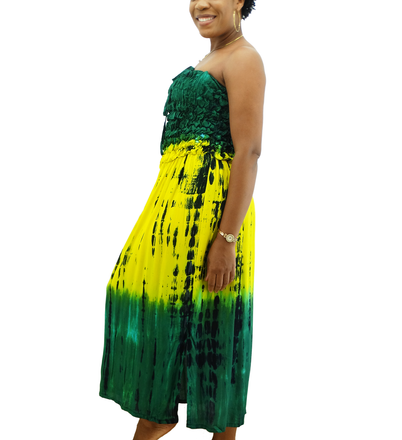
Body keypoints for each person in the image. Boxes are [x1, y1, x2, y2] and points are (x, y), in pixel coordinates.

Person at [99, 1, 265, 439]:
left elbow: (248, 152)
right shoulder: (211, 58)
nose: (200, 4)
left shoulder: (244, 58)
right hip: (169, 215)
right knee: (131, 294)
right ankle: (160, 410)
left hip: (210, 221)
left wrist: (226, 239)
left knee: (215, 338)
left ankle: (162, 416)